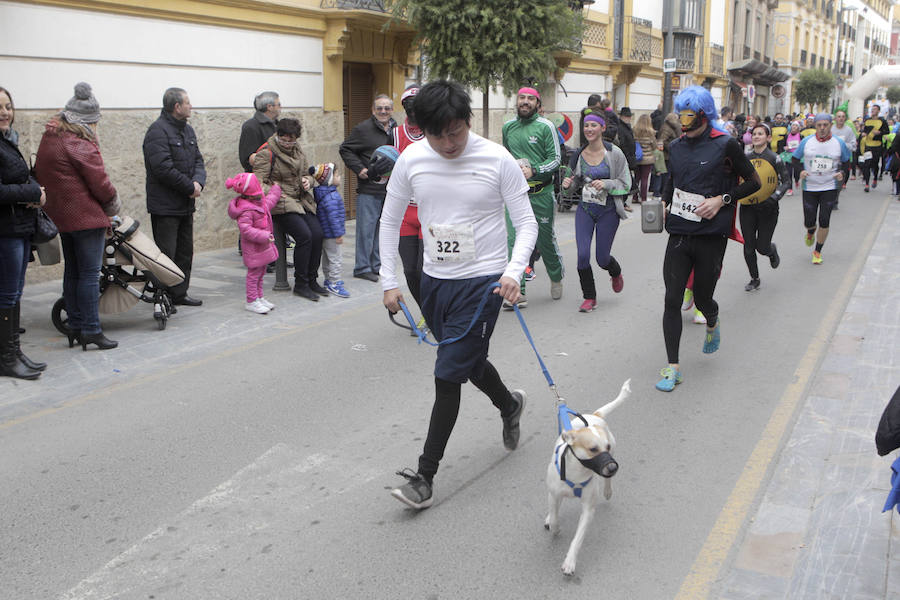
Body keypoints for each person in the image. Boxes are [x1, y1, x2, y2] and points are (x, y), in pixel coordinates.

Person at [380, 80, 537, 510]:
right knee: (465, 360)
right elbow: (389, 221)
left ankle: (424, 476)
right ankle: (509, 404)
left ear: (468, 122)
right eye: (438, 134)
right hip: (434, 282)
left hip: (483, 282)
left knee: (447, 374)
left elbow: (527, 223)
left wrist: (512, 271)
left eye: (456, 131)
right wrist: (387, 280)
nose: (449, 143)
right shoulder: (411, 159)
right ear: (421, 130)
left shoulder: (496, 158)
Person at [656, 86, 760, 393]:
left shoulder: (726, 145)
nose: (684, 120)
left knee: (702, 298)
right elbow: (672, 181)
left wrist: (721, 199)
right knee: (672, 299)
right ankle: (673, 367)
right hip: (679, 232)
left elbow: (753, 182)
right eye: (681, 113)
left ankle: (712, 319)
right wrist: (663, 203)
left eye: (689, 114)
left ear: (703, 114)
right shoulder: (674, 147)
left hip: (711, 236)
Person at [35, 82, 121, 351]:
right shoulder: (79, 142)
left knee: (73, 271)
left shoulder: (51, 137)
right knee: (89, 274)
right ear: (88, 121)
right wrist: (112, 207)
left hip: (62, 217)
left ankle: (74, 324)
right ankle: (91, 329)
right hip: (86, 217)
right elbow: (101, 184)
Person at [143, 87, 206, 307]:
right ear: (176, 107)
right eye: (187, 102)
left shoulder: (187, 130)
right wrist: (189, 187)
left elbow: (198, 160)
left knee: (184, 251)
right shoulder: (157, 131)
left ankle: (179, 293)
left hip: (185, 203)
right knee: (166, 255)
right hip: (166, 206)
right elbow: (162, 168)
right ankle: (164, 296)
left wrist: (198, 182)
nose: (191, 106)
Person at [561, 114, 630, 313]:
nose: (589, 129)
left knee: (602, 258)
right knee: (582, 255)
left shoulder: (614, 153)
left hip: (608, 210)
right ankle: (589, 297)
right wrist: (568, 185)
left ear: (602, 128)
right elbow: (569, 188)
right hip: (585, 209)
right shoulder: (577, 155)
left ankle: (615, 272)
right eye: (586, 126)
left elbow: (626, 183)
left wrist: (606, 183)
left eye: (593, 125)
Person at [0, 85, 46, 379]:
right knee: (6, 295)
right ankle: (6, 359)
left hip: (19, 227)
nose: (4, 112)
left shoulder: (8, 141)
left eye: (7, 106)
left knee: (15, 293)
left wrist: (35, 190)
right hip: (5, 231)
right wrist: (31, 190)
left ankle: (14, 351)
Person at [502, 87, 563, 306]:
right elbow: (507, 158)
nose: (525, 102)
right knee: (513, 242)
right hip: (517, 195)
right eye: (522, 98)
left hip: (542, 193)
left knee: (544, 241)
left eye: (530, 99)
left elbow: (556, 159)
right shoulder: (508, 127)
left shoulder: (546, 127)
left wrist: (534, 169)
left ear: (537, 103)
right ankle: (518, 292)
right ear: (516, 101)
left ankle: (556, 277)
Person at [252, 118, 324, 301]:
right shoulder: (266, 153)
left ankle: (312, 279)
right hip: (281, 203)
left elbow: (308, 173)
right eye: (284, 140)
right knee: (304, 236)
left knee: (317, 234)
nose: (287, 143)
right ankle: (301, 284)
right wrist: (276, 193)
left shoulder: (298, 149)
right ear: (277, 135)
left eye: (291, 140)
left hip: (301, 199)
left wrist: (309, 181)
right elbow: (258, 183)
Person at [339, 94, 396, 282]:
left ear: (392, 110)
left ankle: (376, 265)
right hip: (369, 189)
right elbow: (345, 149)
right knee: (366, 230)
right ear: (373, 110)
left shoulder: (396, 131)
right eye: (379, 108)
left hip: (391, 189)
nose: (383, 111)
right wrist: (360, 169)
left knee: (383, 230)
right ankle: (362, 267)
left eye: (387, 108)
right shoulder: (362, 129)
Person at [792, 113, 850, 265]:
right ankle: (811, 231)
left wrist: (842, 173)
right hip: (810, 187)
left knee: (824, 220)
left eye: (825, 125)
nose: (822, 128)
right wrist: (800, 172)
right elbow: (795, 159)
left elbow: (846, 162)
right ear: (815, 126)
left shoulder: (839, 143)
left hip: (829, 186)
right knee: (809, 221)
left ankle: (817, 251)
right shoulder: (806, 141)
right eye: (819, 125)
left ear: (830, 125)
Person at [739, 123, 788, 291]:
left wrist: (775, 197)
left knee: (762, 246)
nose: (756, 136)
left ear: (768, 138)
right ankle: (754, 278)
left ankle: (771, 251)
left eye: (760, 134)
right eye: (754, 134)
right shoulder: (745, 158)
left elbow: (786, 181)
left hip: (768, 208)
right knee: (748, 246)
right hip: (748, 207)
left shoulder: (775, 158)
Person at [225, 172, 281, 314]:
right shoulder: (246, 210)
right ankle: (251, 301)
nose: (262, 187)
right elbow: (246, 230)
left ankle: (259, 297)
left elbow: (269, 201)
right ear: (252, 192)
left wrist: (276, 190)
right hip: (253, 248)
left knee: (261, 272)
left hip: (262, 246)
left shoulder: (258, 202)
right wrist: (264, 235)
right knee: (254, 274)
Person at [392, 85, 426, 314]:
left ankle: (435, 311)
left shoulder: (434, 133)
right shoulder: (395, 134)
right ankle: (427, 311)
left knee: (427, 269)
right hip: (405, 212)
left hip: (429, 210)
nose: (413, 109)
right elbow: (387, 167)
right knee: (410, 271)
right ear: (403, 107)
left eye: (417, 104)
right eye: (408, 104)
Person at [309, 163, 350, 298]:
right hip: (332, 234)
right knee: (335, 258)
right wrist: (338, 234)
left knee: (327, 258)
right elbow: (334, 218)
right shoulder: (332, 197)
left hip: (325, 233)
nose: (339, 177)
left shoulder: (322, 194)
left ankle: (328, 279)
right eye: (337, 175)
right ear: (329, 180)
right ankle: (334, 282)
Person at [239, 91, 280, 173]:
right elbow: (246, 160)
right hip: (262, 179)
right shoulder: (250, 126)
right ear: (269, 107)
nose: (280, 108)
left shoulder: (278, 124)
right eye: (278, 104)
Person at [859, 103, 889, 192]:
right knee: (867, 164)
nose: (873, 110)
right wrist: (863, 134)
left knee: (875, 164)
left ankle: (875, 178)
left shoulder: (882, 121)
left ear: (878, 111)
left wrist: (880, 133)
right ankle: (867, 184)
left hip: (877, 146)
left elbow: (887, 131)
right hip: (868, 146)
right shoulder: (867, 120)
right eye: (872, 109)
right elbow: (864, 131)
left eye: (875, 109)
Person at [633, 113, 657, 204]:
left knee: (636, 178)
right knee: (645, 179)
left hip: (637, 158)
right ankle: (643, 199)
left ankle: (634, 197)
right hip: (647, 159)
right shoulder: (651, 133)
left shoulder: (635, 131)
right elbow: (654, 146)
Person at [784, 121, 803, 195]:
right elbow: (783, 145)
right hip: (788, 156)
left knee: (796, 172)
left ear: (798, 128)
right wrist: (785, 148)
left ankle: (797, 180)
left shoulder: (800, 136)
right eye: (793, 125)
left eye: (796, 126)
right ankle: (790, 189)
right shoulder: (787, 136)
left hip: (797, 156)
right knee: (788, 173)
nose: (794, 127)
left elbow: (802, 146)